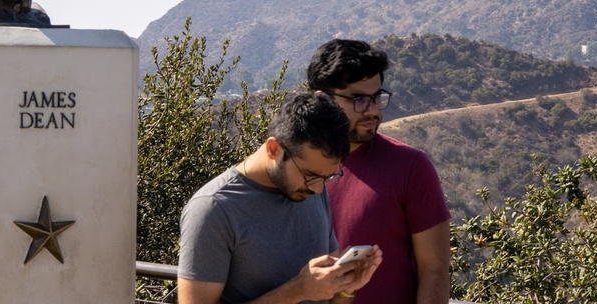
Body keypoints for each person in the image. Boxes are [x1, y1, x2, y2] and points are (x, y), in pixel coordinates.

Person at [177, 93, 382, 304]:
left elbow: (329, 299)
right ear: (274, 149)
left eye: (327, 177)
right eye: (310, 176)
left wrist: (346, 288)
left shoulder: (312, 191)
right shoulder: (214, 208)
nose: (318, 189)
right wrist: (296, 291)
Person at [307, 39, 451, 304]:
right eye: (359, 100)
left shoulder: (410, 167)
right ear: (322, 98)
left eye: (377, 98)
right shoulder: (292, 168)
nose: (372, 110)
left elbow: (434, 269)